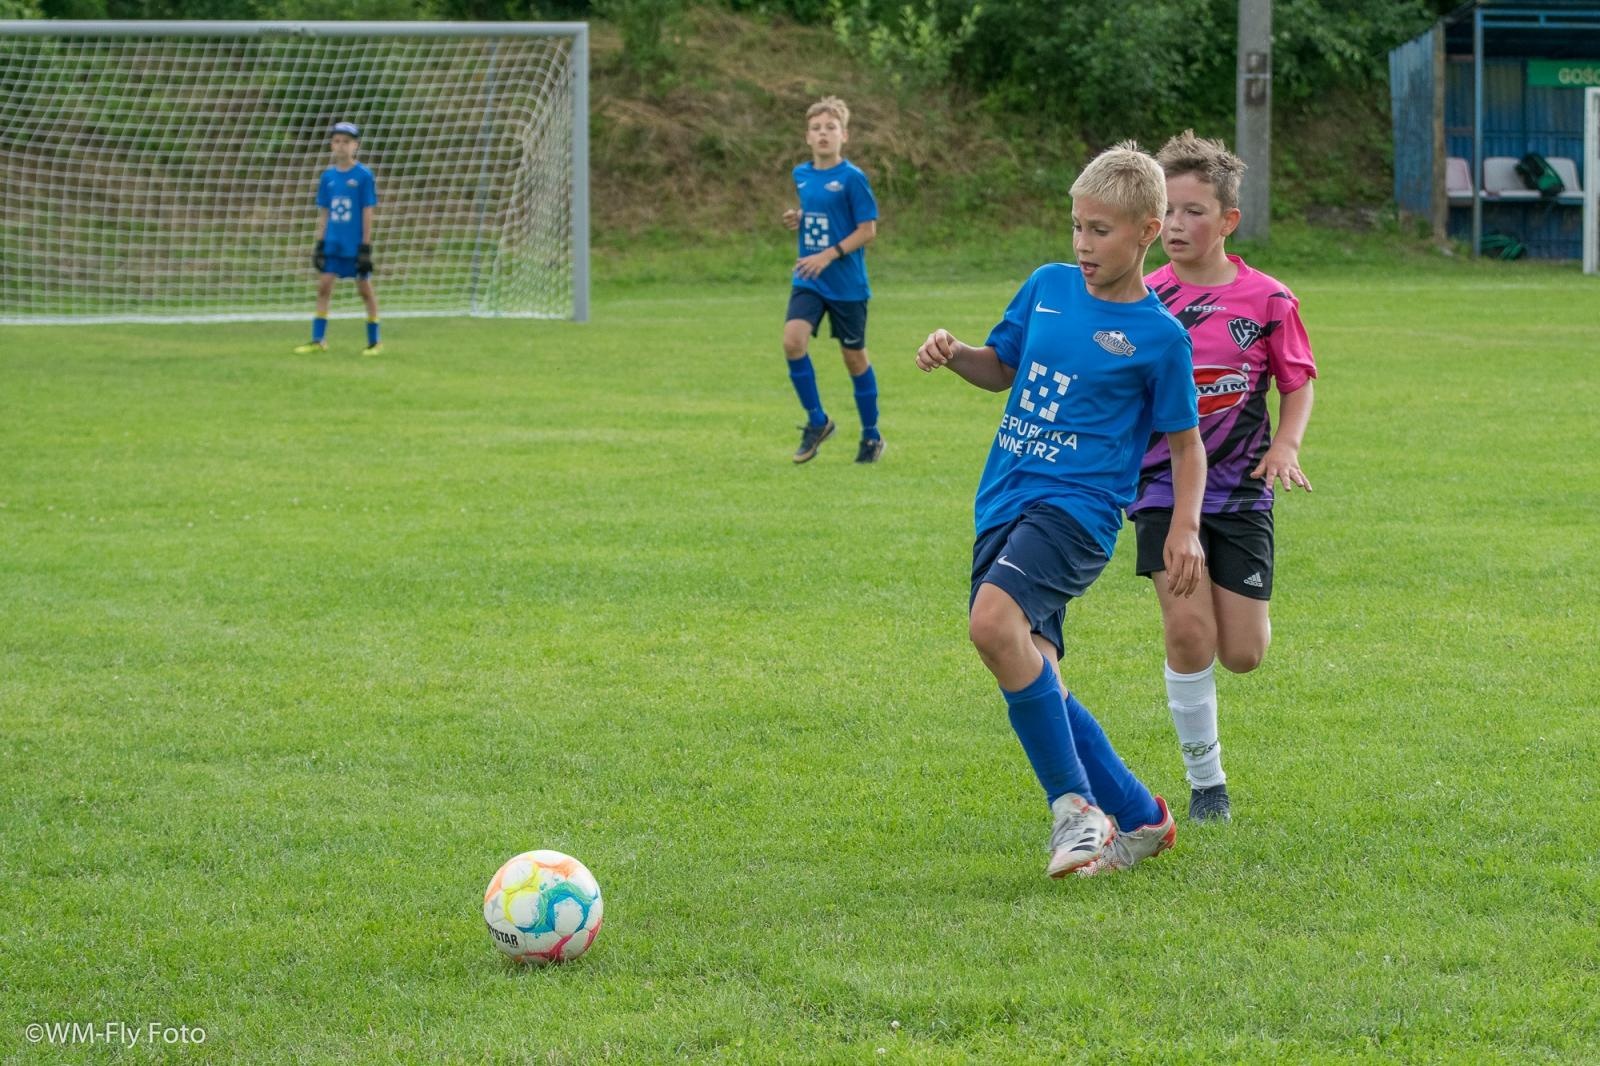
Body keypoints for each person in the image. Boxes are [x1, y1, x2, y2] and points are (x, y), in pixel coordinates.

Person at [915, 142, 1207, 877]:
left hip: (1077, 511)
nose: (1083, 243)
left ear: (1146, 231)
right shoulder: (1046, 285)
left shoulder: (1160, 338)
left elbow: (1186, 444)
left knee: (991, 624)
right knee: (1032, 664)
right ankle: (1142, 815)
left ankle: (1075, 812)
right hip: (1004, 499)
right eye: (1077, 226)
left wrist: (1182, 529)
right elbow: (1003, 368)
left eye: (1101, 230)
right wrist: (956, 355)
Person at [1131, 130, 1319, 823]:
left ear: (1228, 221)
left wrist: (1287, 446)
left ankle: (1210, 757)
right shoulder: (1143, 297)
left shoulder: (1269, 300)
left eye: (1193, 211)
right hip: (1161, 487)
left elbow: (1297, 384)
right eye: (1168, 212)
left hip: (1241, 492)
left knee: (1242, 653)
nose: (1177, 225)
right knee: (1188, 632)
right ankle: (1206, 782)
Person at [780, 96, 882, 463]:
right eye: (816, 128)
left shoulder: (853, 178)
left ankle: (871, 436)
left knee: (853, 358)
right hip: (809, 278)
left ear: (845, 135)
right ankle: (817, 421)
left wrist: (828, 255)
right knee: (793, 342)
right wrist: (800, 218)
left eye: (830, 128)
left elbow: (867, 229)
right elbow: (820, 210)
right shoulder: (801, 175)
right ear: (807, 136)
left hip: (846, 284)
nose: (823, 134)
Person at [294, 121, 381, 356]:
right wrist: (320, 242)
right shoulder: (328, 177)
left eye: (346, 142)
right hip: (333, 242)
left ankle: (375, 341)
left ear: (355, 145)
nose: (341, 146)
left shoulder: (363, 176)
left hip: (354, 245)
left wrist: (365, 246)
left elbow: (367, 211)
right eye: (337, 141)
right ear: (332, 145)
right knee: (323, 287)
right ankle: (318, 339)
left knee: (365, 290)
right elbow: (324, 211)